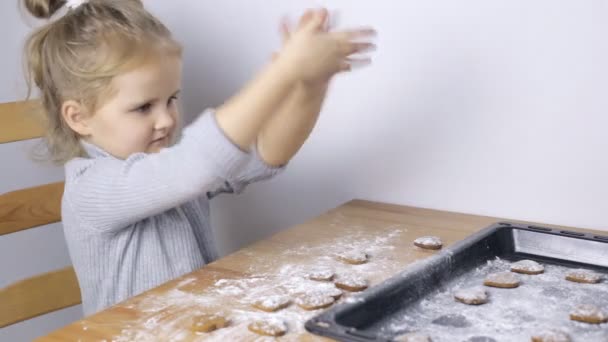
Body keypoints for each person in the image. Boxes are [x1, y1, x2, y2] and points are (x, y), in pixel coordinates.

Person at [22, 0, 376, 315]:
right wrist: (284, 71)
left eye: (171, 99)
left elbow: (264, 155)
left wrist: (310, 86)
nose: (166, 120)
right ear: (78, 117)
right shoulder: (92, 189)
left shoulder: (168, 165)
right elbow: (198, 163)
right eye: (143, 107)